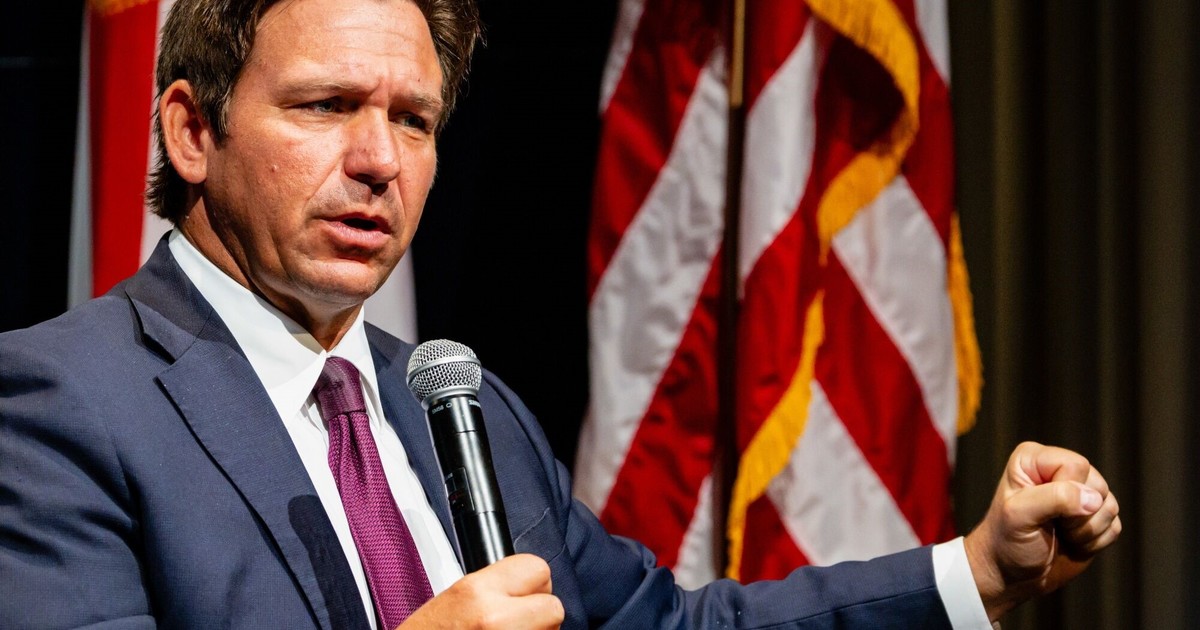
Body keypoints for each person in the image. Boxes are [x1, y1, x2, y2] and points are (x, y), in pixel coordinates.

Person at [0, 0, 1120, 628]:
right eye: (328, 105)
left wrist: (977, 570)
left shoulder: (461, 407)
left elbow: (672, 628)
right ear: (192, 132)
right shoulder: (59, 406)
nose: (380, 160)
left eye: (415, 121)